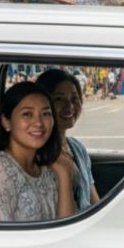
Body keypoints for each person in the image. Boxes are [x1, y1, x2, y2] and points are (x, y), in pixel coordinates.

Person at [0, 82, 76, 222]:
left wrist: (64, 175)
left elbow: (68, 227)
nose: (38, 122)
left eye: (45, 113)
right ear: (6, 122)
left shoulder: (47, 168)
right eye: (27, 114)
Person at [37, 68, 99, 211]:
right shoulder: (37, 154)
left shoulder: (77, 148)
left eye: (74, 98)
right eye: (58, 99)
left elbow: (93, 201)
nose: (69, 106)